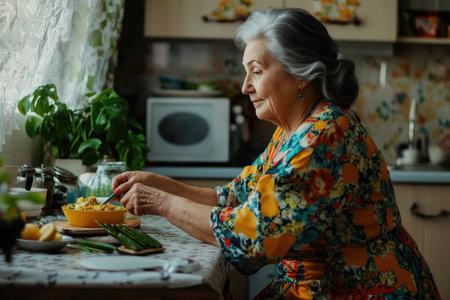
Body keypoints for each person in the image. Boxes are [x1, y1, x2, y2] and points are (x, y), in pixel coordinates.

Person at [112, 7, 441, 299]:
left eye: (256, 71)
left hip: (362, 287)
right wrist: (158, 183)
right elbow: (235, 198)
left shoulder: (324, 135)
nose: (245, 86)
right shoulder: (291, 133)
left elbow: (254, 234)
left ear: (299, 74)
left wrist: (160, 203)